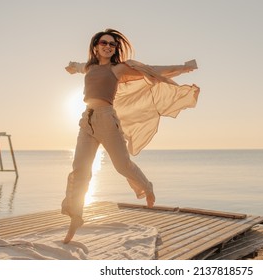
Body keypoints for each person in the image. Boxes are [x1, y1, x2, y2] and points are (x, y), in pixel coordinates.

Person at [61, 28, 199, 243]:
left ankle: (146, 186)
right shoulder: (89, 67)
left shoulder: (118, 69)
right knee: (79, 169)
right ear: (96, 46)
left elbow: (153, 70)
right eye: (104, 43)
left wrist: (184, 68)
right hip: (86, 120)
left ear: (116, 49)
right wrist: (72, 67)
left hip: (107, 120)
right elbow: (79, 67)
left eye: (112, 44)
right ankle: (76, 215)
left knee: (122, 165)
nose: (108, 46)